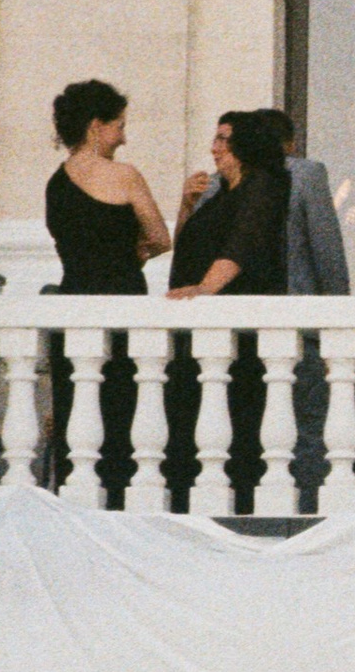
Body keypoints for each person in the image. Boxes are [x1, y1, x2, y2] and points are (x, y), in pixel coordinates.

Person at [43, 78, 168, 502]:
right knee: (122, 410)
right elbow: (160, 238)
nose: (124, 137)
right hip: (122, 304)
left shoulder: (55, 183)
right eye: (119, 126)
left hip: (73, 301)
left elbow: (74, 244)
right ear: (96, 126)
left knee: (75, 411)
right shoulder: (125, 176)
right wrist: (132, 255)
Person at [164, 108, 289, 509]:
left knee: (236, 424)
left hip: (236, 334)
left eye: (223, 139)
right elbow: (186, 246)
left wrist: (205, 289)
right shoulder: (222, 192)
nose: (214, 148)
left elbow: (243, 245)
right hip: (201, 333)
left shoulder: (263, 185)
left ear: (245, 145)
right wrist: (186, 205)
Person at [254, 107, 347, 513]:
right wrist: (339, 321)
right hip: (302, 324)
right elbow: (326, 249)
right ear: (290, 142)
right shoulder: (306, 173)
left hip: (245, 328)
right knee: (309, 432)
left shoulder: (227, 178)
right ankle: (307, 514)